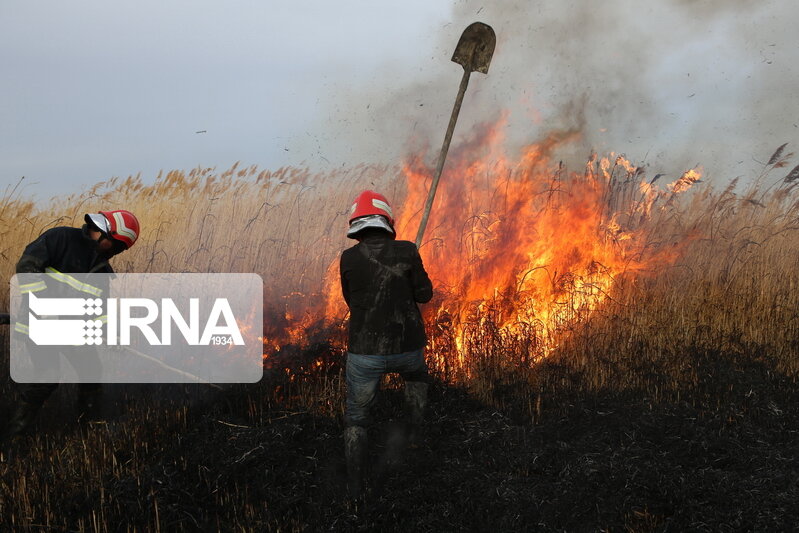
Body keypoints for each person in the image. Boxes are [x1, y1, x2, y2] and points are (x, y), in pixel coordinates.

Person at [2, 209, 140, 442]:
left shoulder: (102, 270)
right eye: (117, 247)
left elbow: (99, 312)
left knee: (92, 372)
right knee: (47, 378)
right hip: (40, 326)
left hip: (74, 332)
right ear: (106, 233)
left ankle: (89, 434)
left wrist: (110, 336)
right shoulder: (61, 238)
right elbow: (26, 267)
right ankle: (11, 437)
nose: (116, 253)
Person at [339, 190, 433, 499]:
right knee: (417, 378)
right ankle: (417, 435)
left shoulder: (348, 258)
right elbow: (424, 295)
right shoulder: (407, 250)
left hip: (365, 353)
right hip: (408, 349)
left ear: (357, 225)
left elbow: (352, 302)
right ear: (387, 222)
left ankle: (354, 486)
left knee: (356, 418)